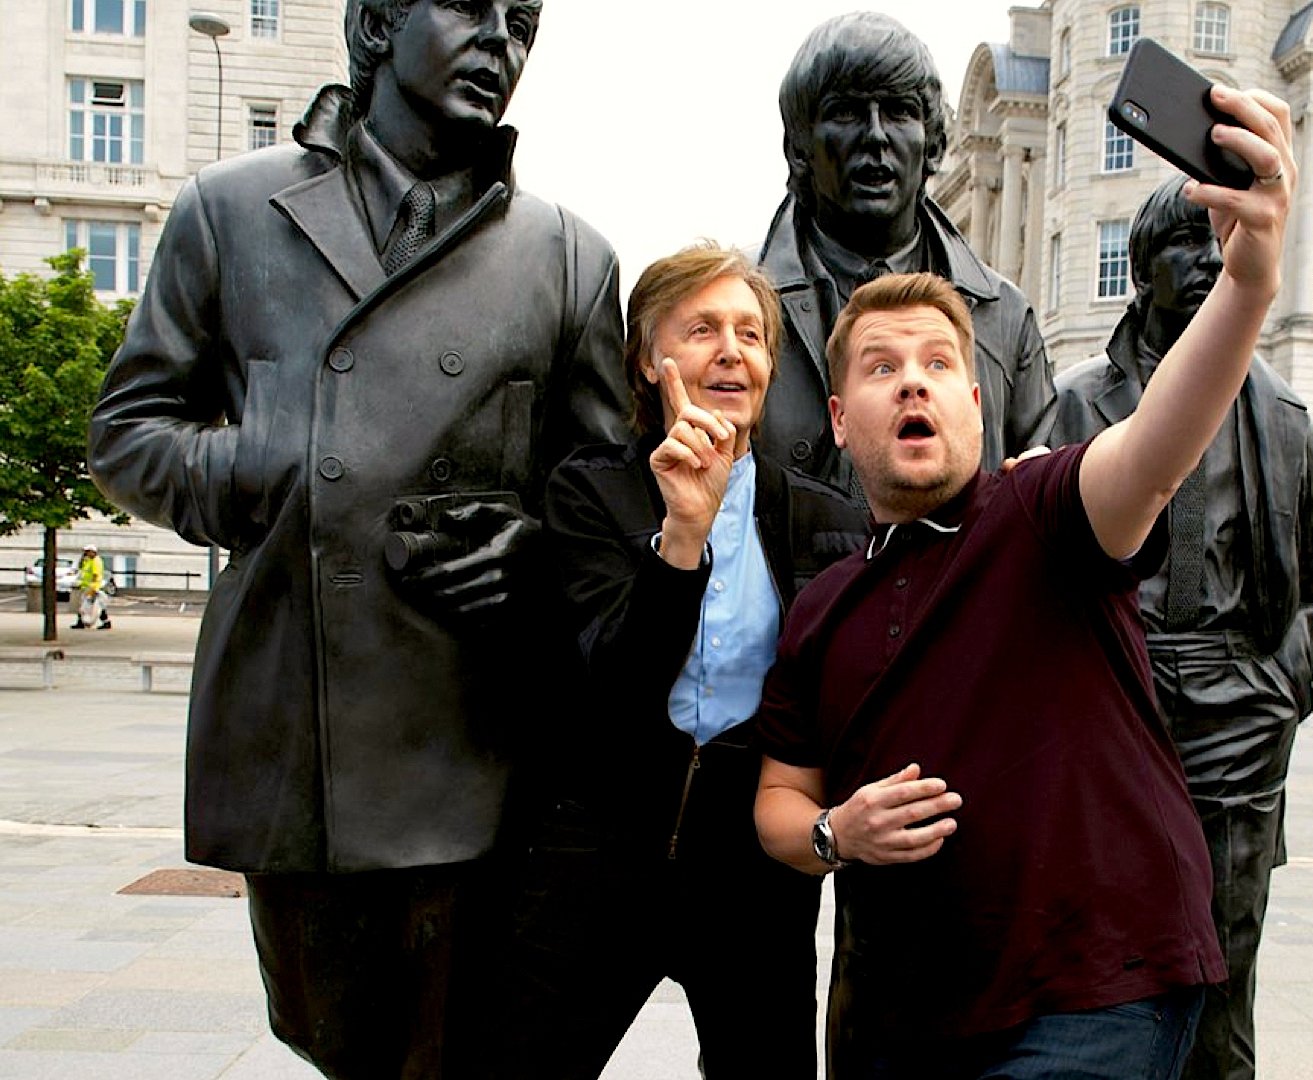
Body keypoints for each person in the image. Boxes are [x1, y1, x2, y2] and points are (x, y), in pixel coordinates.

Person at [86, 1, 628, 1075]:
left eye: (522, 24)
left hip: (474, 740)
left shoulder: (567, 255)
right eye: (471, 9)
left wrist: (539, 551)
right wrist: (274, 462)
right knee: (327, 1032)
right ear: (377, 22)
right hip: (300, 729)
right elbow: (129, 433)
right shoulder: (230, 213)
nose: (500, 44)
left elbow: (602, 494)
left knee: (441, 1047)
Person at [752, 81, 1296, 1080]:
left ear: (975, 397)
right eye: (880, 367)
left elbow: (1154, 448)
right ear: (837, 417)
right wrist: (837, 832)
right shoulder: (823, 611)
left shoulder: (1046, 509)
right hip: (913, 1011)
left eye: (935, 363)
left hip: (1097, 989)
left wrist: (1248, 285)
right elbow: (782, 800)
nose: (911, 380)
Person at [497, 243, 864, 1079]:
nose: (731, 351)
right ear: (646, 357)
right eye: (702, 329)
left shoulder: (825, 516)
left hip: (751, 875)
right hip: (597, 849)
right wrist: (684, 536)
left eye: (750, 333)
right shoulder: (588, 492)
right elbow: (615, 684)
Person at [1051, 173, 1313, 1080]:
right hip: (1111, 699)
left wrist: (1280, 690)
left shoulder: (1282, 413)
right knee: (1096, 961)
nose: (1212, 260)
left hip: (1237, 710)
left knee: (1224, 969)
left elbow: (1306, 586)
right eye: (1189, 245)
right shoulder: (1076, 402)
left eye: (1224, 239)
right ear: (1141, 269)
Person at [757, 12, 1055, 498]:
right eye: (846, 113)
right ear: (799, 148)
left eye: (898, 112)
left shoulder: (1004, 317)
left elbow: (1042, 508)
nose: (876, 136)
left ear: (933, 145)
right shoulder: (741, 313)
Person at [72, 544, 111, 630]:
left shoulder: (96, 561)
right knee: (85, 605)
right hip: (86, 585)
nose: (85, 553)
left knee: (90, 605)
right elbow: (81, 568)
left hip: (92, 587)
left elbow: (95, 575)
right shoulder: (89, 560)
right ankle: (81, 622)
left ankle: (105, 622)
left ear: (93, 552)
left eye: (87, 551)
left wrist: (92, 588)